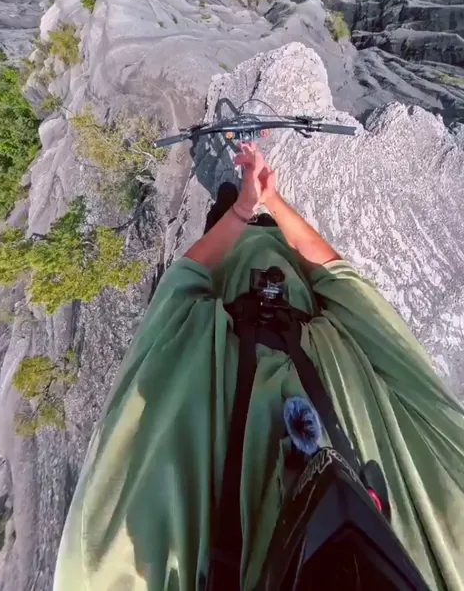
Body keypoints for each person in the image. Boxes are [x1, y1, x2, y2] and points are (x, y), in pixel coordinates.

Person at [54, 143, 464, 591]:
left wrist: (248, 208)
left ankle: (232, 208)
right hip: (266, 266)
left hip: (247, 260)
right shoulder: (446, 484)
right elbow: (339, 279)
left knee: (228, 209)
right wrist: (265, 204)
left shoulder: (105, 562)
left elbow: (180, 288)